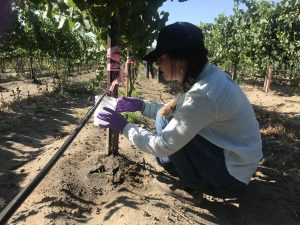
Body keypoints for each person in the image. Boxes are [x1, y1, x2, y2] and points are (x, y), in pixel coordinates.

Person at [97, 22, 263, 204]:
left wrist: (124, 127)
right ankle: (191, 175)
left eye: (162, 57)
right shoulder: (208, 76)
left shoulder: (202, 94)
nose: (157, 63)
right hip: (236, 162)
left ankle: (192, 187)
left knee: (165, 129)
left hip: (231, 179)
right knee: (165, 125)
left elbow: (162, 144)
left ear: (181, 59)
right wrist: (142, 106)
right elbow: (178, 111)